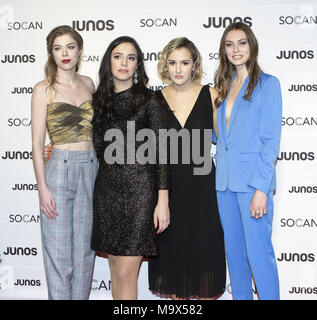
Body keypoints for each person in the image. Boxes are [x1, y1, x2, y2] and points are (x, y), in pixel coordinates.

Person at [91, 36, 170, 300]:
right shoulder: (100, 100)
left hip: (140, 195)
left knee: (126, 273)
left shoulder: (150, 100)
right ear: (108, 61)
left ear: (138, 64)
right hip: (107, 192)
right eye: (118, 56)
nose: (124, 63)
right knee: (115, 270)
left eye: (131, 57)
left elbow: (162, 152)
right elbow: (95, 147)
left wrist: (162, 201)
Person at [148, 37, 226, 300]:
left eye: (184, 62)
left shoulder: (212, 95)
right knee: (174, 269)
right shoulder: (155, 100)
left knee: (205, 264)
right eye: (172, 63)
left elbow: (229, 142)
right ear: (165, 66)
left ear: (195, 65)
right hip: (167, 192)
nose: (178, 69)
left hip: (204, 190)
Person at [214, 22, 282, 300]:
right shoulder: (223, 87)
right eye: (229, 44)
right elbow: (222, 140)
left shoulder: (268, 84)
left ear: (252, 45)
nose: (235, 49)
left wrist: (260, 189)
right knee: (235, 256)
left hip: (253, 185)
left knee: (258, 256)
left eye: (241, 42)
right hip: (225, 184)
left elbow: (270, 141)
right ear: (224, 50)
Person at [31, 25, 97, 300]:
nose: (64, 53)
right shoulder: (43, 89)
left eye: (70, 46)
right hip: (58, 170)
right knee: (58, 254)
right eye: (58, 48)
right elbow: (36, 144)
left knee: (85, 251)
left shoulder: (89, 84)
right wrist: (42, 187)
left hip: (90, 168)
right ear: (51, 54)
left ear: (79, 50)